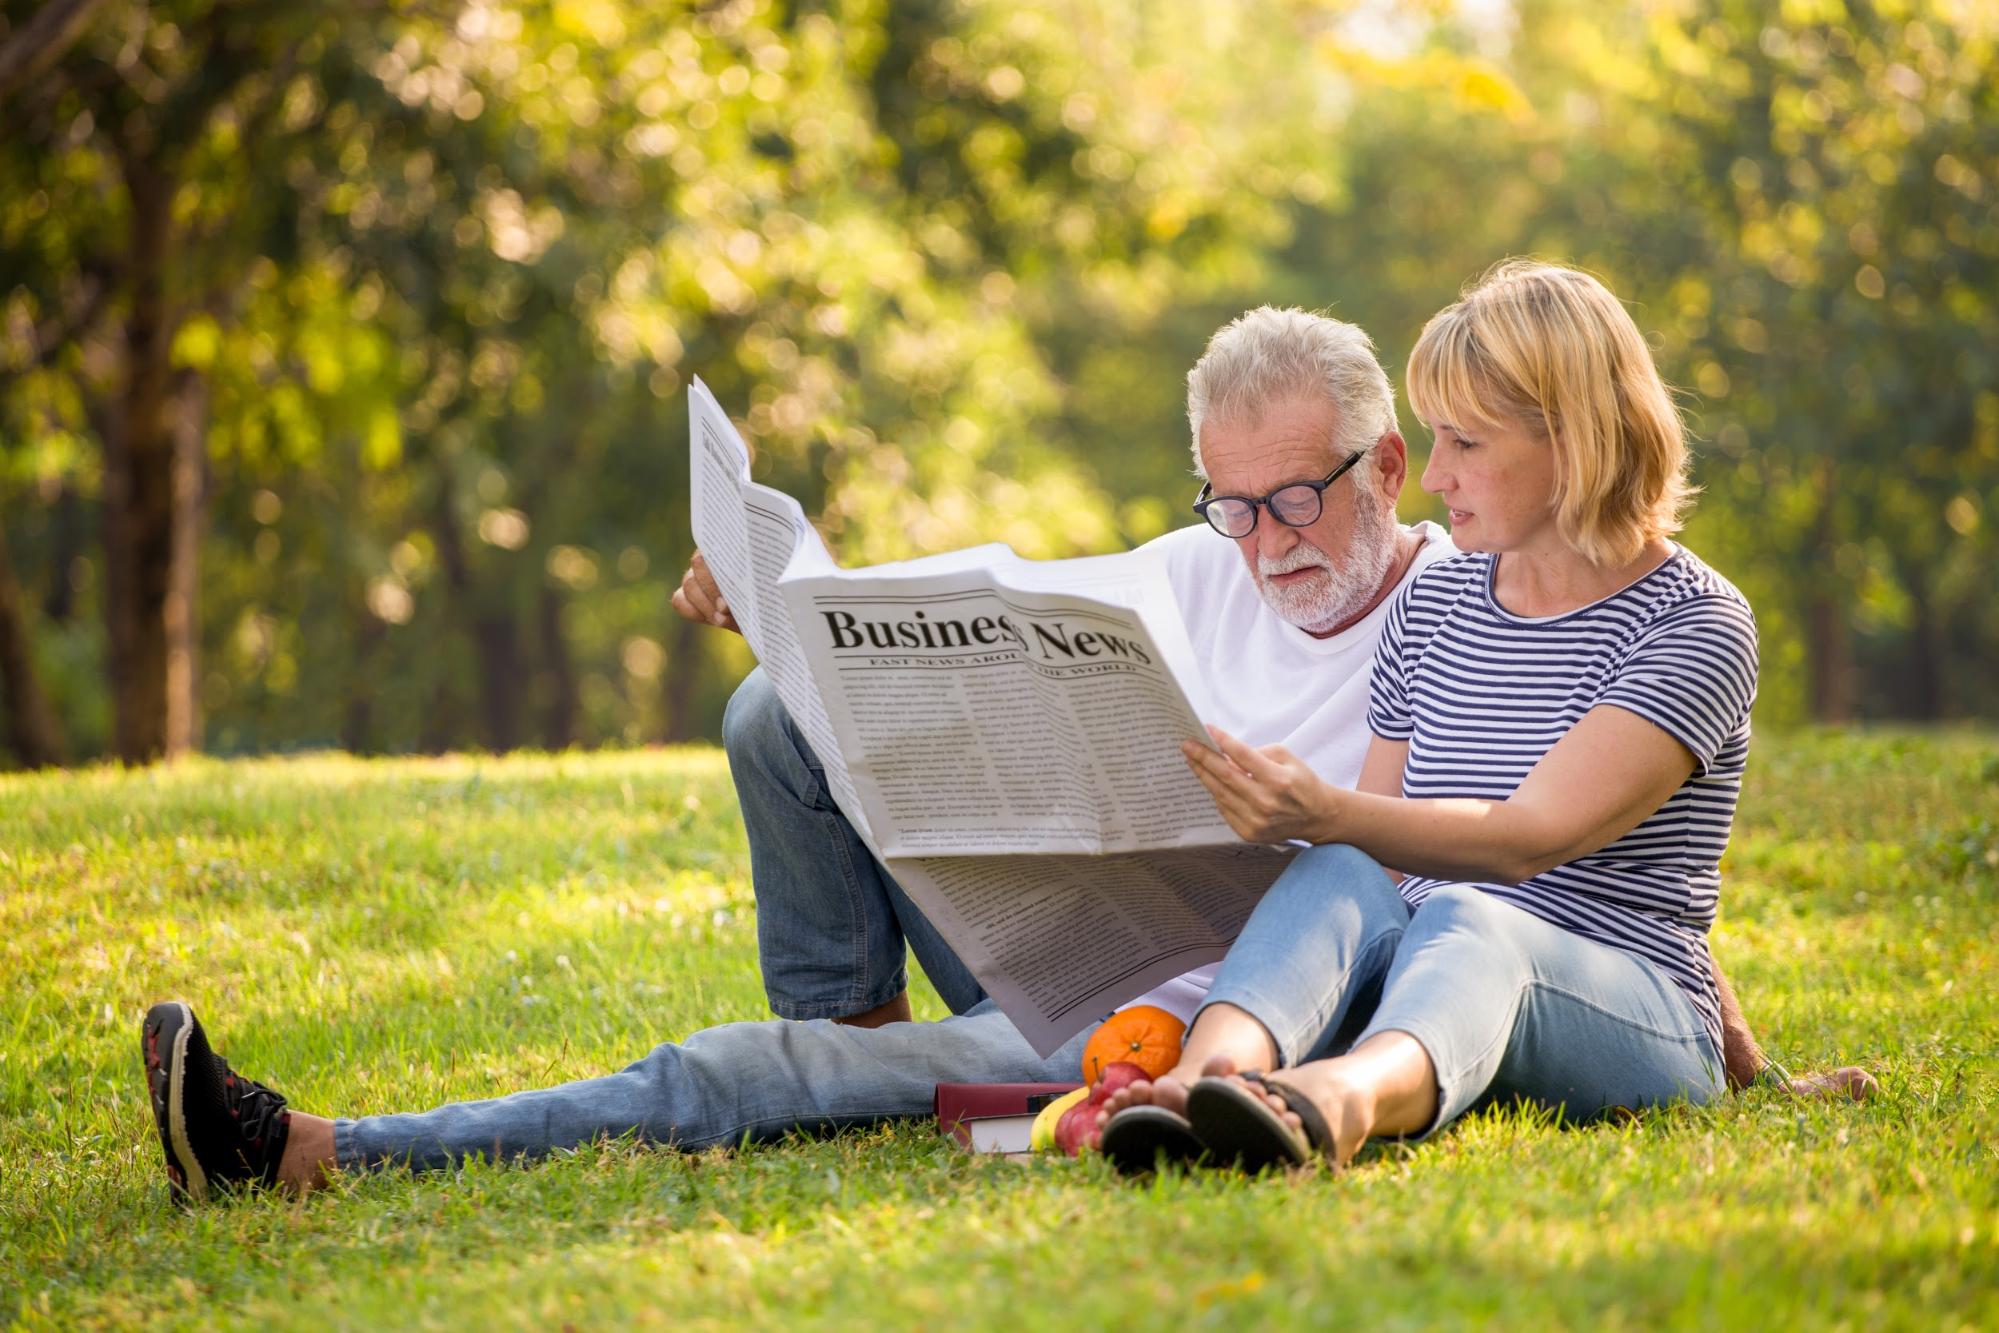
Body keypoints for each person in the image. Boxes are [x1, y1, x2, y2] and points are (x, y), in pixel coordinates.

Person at [138, 301, 1841, 1204]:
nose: (1255, 538)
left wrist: (1738, 1049)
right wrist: (784, 608)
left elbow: (1564, 875)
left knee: (762, 1085)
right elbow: (974, 613)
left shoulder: (1555, 602)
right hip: (1148, 986)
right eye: (1224, 501)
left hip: (1298, 1002)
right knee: (781, 747)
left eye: (1296, 496)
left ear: (1393, 466)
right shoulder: (1354, 596)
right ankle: (317, 1149)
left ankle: (1230, 1101)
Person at [1090, 260, 1856, 1173]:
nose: (1435, 474)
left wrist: (1318, 807)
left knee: (1470, 919)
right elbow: (1375, 854)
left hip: (1629, 1005)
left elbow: (1529, 839)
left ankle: (1334, 1100)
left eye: (1465, 442)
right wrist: (1325, 833)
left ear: (1573, 439)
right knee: (1339, 868)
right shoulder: (1434, 601)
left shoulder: (1691, 622)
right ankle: (1206, 1085)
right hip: (1433, 979)